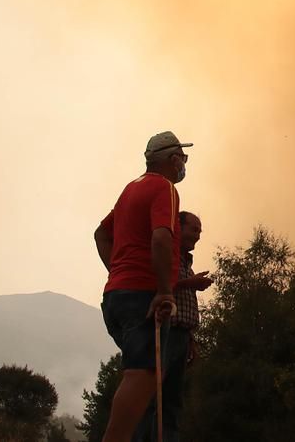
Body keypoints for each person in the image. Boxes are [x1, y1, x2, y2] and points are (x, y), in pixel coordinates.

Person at [93, 131, 192, 442]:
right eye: (183, 158)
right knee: (142, 374)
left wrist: (118, 271)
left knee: (141, 375)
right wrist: (164, 291)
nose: (184, 165)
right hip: (142, 296)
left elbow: (100, 234)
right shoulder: (164, 188)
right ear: (173, 158)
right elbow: (162, 237)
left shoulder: (130, 190)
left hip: (116, 297)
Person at [134, 211, 213, 441]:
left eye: (200, 231)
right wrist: (192, 283)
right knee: (151, 396)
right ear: (178, 228)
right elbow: (158, 284)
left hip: (180, 336)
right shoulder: (166, 254)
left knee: (172, 400)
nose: (198, 236)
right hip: (163, 334)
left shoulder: (185, 260)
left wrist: (190, 340)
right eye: (194, 230)